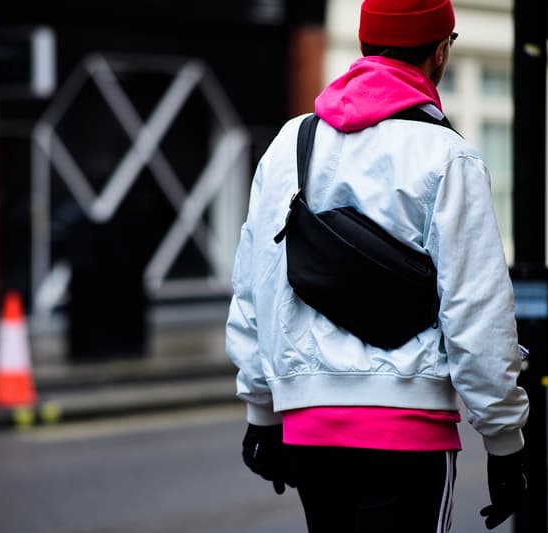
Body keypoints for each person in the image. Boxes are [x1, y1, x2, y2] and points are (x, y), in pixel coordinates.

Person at [225, 1, 529, 531]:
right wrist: (504, 441)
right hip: (407, 432)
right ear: (439, 52)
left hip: (309, 432)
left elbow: (256, 286)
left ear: (365, 47)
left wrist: (261, 412)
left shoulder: (288, 145)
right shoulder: (447, 156)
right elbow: (477, 313)